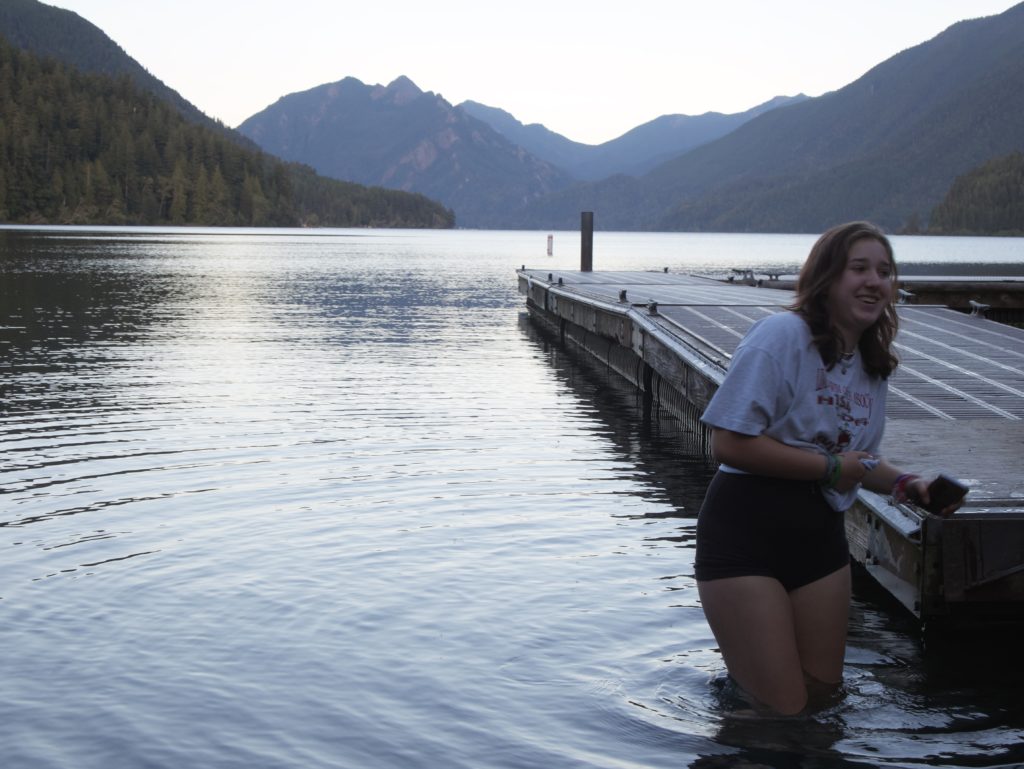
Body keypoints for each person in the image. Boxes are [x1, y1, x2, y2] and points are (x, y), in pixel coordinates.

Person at [694, 221, 962, 716]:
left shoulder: (870, 362)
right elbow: (729, 443)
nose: (874, 281)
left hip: (819, 540)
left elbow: (850, 458)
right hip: (745, 535)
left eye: (884, 271)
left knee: (821, 700)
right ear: (826, 278)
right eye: (858, 268)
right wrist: (831, 467)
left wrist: (906, 481)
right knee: (781, 710)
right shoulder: (781, 336)